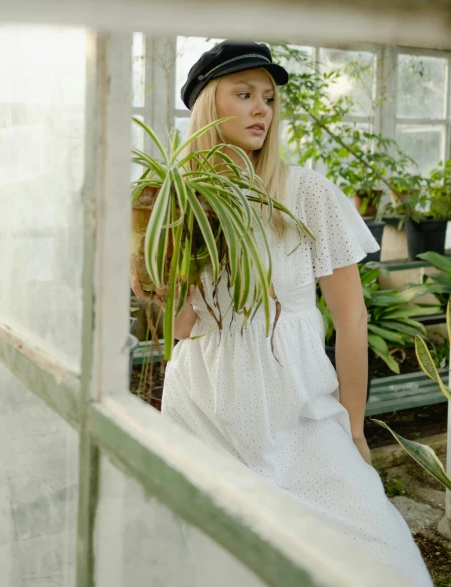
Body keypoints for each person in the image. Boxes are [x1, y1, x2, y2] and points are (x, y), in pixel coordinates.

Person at [132, 40, 433, 587]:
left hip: (301, 411)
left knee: (379, 555)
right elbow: (183, 329)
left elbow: (352, 320)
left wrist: (355, 429)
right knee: (223, 563)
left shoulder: (306, 192)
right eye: (243, 94)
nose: (261, 110)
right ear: (207, 107)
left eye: (268, 98)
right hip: (204, 408)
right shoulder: (179, 202)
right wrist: (159, 277)